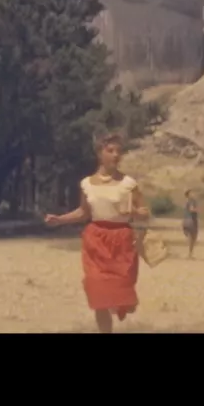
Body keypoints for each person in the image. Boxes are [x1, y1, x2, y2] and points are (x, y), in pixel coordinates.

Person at [44, 133, 149, 333]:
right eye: (110, 150)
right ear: (100, 153)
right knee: (98, 291)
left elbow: (145, 213)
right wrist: (60, 220)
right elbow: (83, 212)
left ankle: (121, 303)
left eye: (119, 151)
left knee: (122, 296)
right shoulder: (87, 184)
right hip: (96, 240)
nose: (116, 155)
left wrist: (134, 212)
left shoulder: (128, 183)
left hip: (122, 241)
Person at [182, 189, 199, 258]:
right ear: (189, 195)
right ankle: (190, 253)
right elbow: (191, 209)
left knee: (190, 237)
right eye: (192, 193)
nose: (194, 194)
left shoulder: (187, 201)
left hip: (186, 220)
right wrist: (197, 210)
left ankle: (189, 253)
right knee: (192, 237)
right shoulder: (192, 201)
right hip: (191, 221)